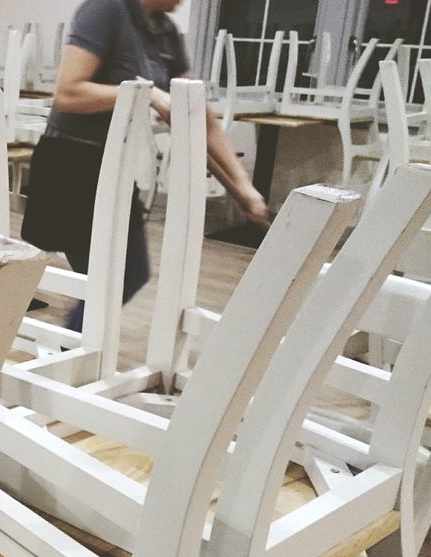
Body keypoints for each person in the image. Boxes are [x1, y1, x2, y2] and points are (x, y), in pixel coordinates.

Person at [21, 0, 268, 330]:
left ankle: (69, 346)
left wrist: (245, 187)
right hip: (69, 163)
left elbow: (199, 115)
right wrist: (146, 93)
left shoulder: (165, 33)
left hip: (114, 165)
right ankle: (68, 348)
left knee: (128, 273)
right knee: (112, 277)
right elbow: (68, 93)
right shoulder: (106, 10)